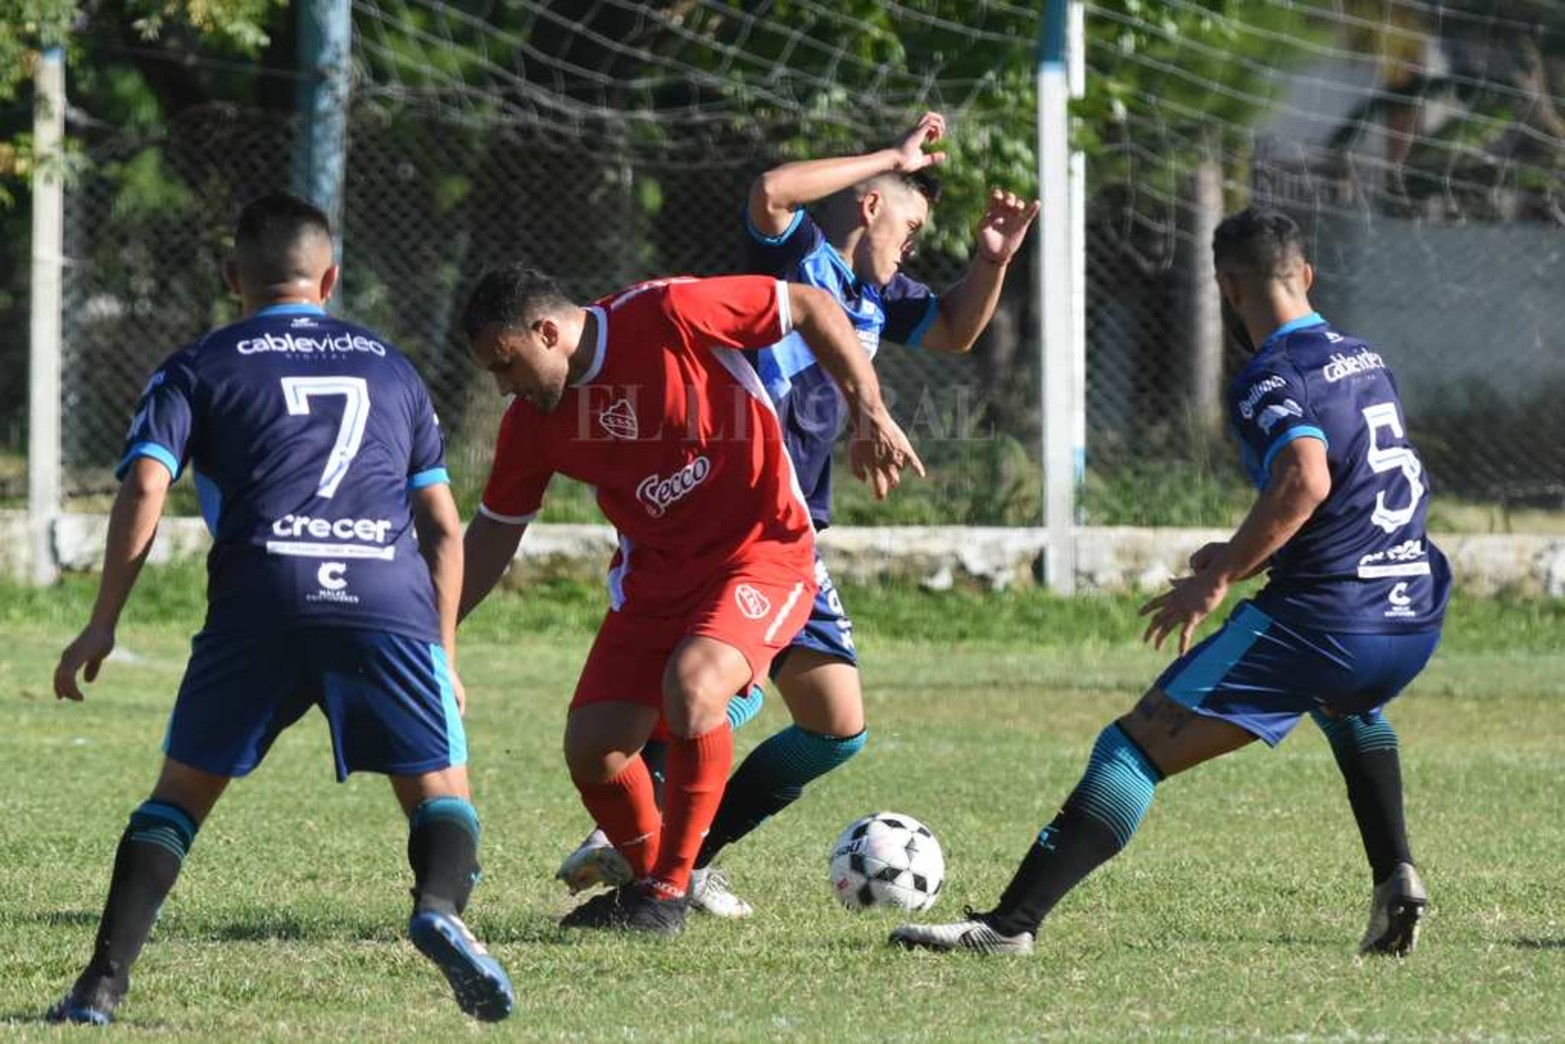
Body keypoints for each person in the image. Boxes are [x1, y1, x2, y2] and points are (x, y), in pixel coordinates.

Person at [890, 206, 1450, 956]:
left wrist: (1217, 576)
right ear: (1305, 275)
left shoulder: (1270, 376)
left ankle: (1007, 927)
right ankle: (1396, 877)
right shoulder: (1363, 357)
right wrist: (1247, 549)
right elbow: (1352, 489)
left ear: (1225, 286)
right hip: (1411, 614)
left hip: (1328, 621)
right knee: (1345, 708)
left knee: (1132, 748)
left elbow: (1305, 478)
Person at [557, 111, 1041, 919]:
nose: (915, 244)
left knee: (831, 724)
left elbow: (956, 330)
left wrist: (991, 264)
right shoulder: (799, 257)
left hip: (786, 529)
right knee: (763, 705)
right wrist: (889, 154)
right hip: (740, 519)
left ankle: (674, 844)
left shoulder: (880, 298)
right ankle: (658, 843)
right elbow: (772, 190)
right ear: (870, 205)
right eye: (912, 223)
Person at [46, 193, 512, 1024]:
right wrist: (440, 652)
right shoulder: (391, 367)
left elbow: (148, 483)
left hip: (260, 593)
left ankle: (99, 989)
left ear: (234, 277)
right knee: (442, 790)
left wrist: (104, 618)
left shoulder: (199, 364)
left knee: (178, 799)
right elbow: (443, 527)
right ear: (330, 277)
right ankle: (438, 907)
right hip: (384, 594)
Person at [457, 266, 922, 937]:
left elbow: (813, 304)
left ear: (548, 331)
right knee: (594, 748)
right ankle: (653, 882)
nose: (504, 385)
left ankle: (670, 890)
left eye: (506, 364)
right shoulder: (532, 423)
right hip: (653, 582)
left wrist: (869, 410)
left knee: (700, 688)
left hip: (760, 552)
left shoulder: (668, 313)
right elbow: (494, 532)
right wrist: (432, 631)